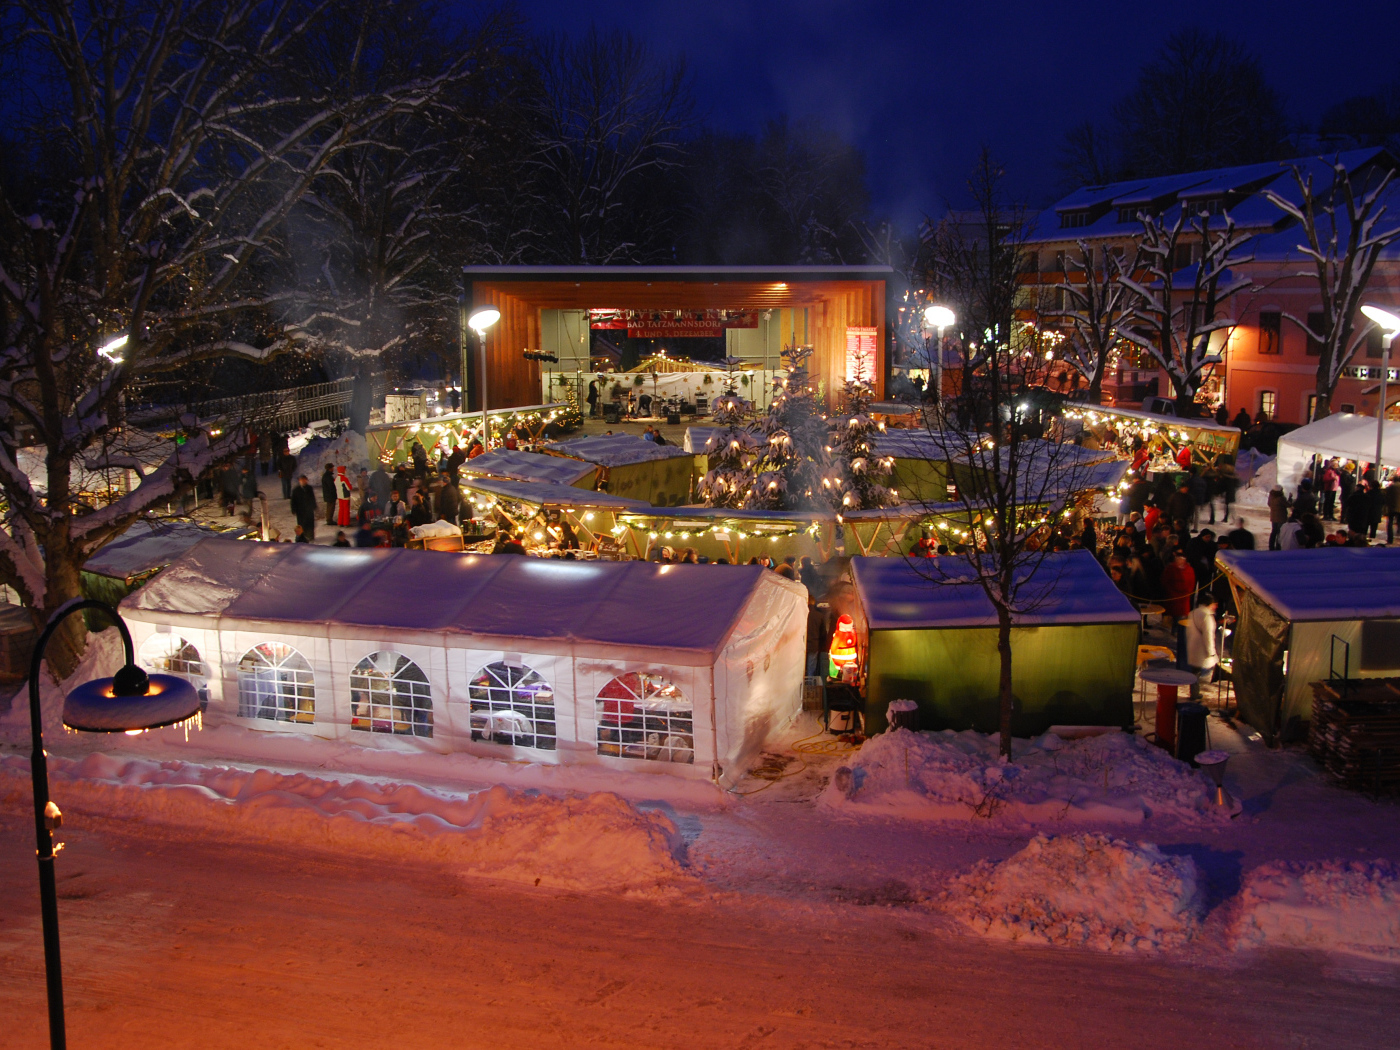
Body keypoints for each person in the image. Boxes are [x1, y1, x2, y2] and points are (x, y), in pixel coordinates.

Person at [1184, 593, 1220, 699]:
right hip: (1201, 648)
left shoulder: (1193, 613)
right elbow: (1208, 636)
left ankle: (1194, 692)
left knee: (1195, 671)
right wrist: (1211, 652)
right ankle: (1194, 694)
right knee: (1197, 673)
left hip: (1192, 645)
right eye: (1214, 604)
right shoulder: (1207, 617)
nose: (1216, 607)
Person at [290, 475, 317, 542]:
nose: (303, 481)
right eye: (302, 480)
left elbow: (312, 497)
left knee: (310, 524)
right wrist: (293, 509)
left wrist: (314, 505)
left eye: (304, 480)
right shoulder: (296, 490)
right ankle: (302, 537)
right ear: (299, 481)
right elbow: (293, 500)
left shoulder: (309, 488)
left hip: (309, 510)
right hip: (300, 511)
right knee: (301, 524)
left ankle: (310, 536)